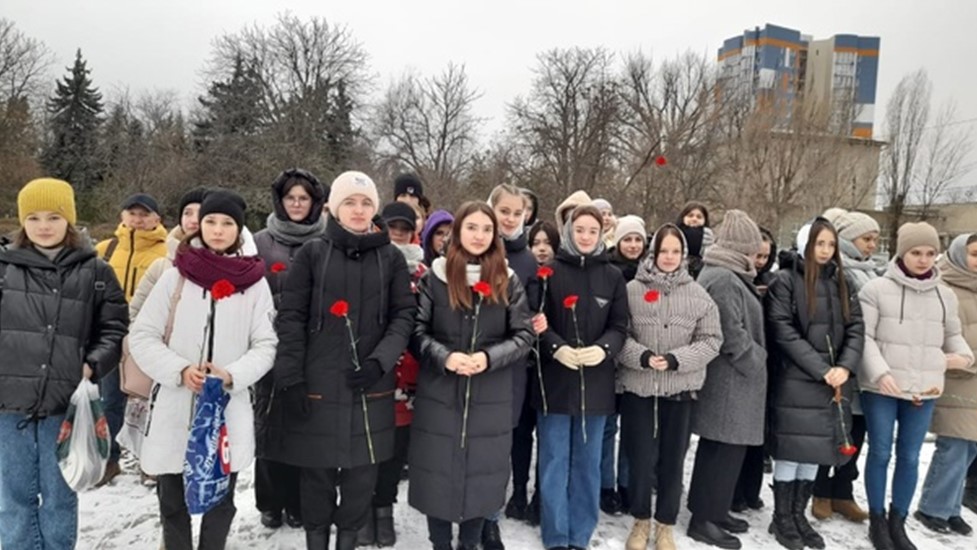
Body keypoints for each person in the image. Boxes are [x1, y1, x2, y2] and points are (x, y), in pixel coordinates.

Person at [267, 171, 416, 550]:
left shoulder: (391, 258)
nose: (358, 209)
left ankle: (348, 541)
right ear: (334, 207)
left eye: (366, 203)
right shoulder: (312, 254)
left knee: (361, 480)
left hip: (371, 388)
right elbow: (291, 318)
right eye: (349, 202)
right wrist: (291, 378)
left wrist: (380, 362)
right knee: (316, 479)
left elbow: (403, 316)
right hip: (317, 387)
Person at [128, 189, 277, 550]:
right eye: (211, 221)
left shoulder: (254, 284)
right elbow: (142, 335)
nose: (218, 230)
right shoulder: (175, 276)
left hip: (226, 408)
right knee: (172, 501)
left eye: (227, 223)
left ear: (239, 229)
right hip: (175, 405)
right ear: (199, 226)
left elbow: (266, 344)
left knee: (220, 502)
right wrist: (179, 370)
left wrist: (232, 374)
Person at [0, 178, 128, 550]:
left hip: (65, 404)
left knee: (59, 495)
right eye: (34, 218)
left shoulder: (96, 271)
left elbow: (114, 327)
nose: (44, 226)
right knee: (13, 497)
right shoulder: (5, 267)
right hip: (9, 403)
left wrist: (92, 364)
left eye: (53, 217)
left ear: (68, 219)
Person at [409, 201, 536, 550]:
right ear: (458, 231)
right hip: (441, 392)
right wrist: (445, 357)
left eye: (486, 229)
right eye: (472, 227)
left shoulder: (507, 279)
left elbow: (523, 335)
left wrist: (488, 357)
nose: (479, 236)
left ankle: (470, 542)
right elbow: (416, 332)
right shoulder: (434, 277)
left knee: (482, 475)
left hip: (489, 395)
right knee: (437, 473)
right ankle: (440, 543)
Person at [858, 222, 974, 550]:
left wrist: (963, 356)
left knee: (909, 456)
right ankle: (878, 520)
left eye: (930, 253)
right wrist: (880, 374)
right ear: (901, 253)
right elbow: (864, 337)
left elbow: (953, 335)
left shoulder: (944, 295)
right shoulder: (876, 289)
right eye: (916, 253)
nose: (923, 260)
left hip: (924, 389)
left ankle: (898, 521)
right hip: (882, 388)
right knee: (880, 452)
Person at [618, 223, 723, 550]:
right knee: (639, 459)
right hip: (639, 388)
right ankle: (640, 519)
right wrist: (642, 356)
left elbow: (711, 340)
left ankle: (665, 523)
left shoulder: (699, 295)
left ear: (684, 256)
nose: (669, 257)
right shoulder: (631, 290)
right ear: (653, 252)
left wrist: (677, 359)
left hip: (679, 391)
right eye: (663, 250)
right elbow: (619, 333)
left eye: (675, 251)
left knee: (672, 461)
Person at [531, 204, 628, 550]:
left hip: (596, 384)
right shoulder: (549, 272)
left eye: (593, 231)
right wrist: (555, 346)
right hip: (555, 383)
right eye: (580, 230)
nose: (586, 236)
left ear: (602, 234)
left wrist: (604, 349)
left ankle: (580, 533)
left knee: (588, 463)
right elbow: (536, 321)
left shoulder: (612, 276)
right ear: (569, 231)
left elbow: (620, 325)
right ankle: (556, 534)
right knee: (554, 461)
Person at [764, 218, 865, 550]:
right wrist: (822, 369)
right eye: (819, 244)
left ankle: (798, 515)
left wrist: (845, 367)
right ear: (805, 245)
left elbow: (856, 328)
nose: (825, 251)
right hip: (797, 379)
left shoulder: (843, 281)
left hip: (833, 381)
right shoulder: (785, 280)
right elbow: (782, 329)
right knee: (792, 451)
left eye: (830, 245)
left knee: (814, 451)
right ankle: (782, 517)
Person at [686, 210, 767, 550]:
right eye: (752, 249)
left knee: (726, 450)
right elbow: (729, 332)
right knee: (721, 450)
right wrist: (756, 359)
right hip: (730, 381)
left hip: (733, 381)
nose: (756, 256)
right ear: (740, 248)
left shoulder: (727, 273)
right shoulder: (723, 278)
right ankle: (703, 520)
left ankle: (715, 512)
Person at [253, 168, 328, 530]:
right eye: (290, 198)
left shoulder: (327, 239)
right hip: (268, 343)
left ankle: (299, 501)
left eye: (304, 198)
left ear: (315, 203)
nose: (297, 204)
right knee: (269, 423)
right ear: (280, 201)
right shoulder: (259, 241)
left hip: (313, 345)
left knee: (304, 424)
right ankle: (270, 500)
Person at [123, 186, 208, 485]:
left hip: (204, 361)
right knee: (158, 413)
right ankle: (154, 465)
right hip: (163, 358)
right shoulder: (162, 264)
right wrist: (152, 347)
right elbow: (136, 312)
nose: (193, 219)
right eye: (187, 212)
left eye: (201, 213)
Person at [357, 200, 426, 547]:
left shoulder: (425, 275)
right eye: (392, 227)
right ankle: (361, 508)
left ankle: (384, 506)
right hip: (372, 368)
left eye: (404, 228)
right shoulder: (366, 263)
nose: (397, 234)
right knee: (366, 445)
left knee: (395, 448)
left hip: (408, 374)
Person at [811, 210, 881, 523]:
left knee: (857, 431)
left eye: (875, 239)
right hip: (842, 362)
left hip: (868, 367)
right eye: (867, 238)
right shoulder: (840, 273)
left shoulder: (874, 273)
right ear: (849, 240)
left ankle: (843, 491)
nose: (872, 245)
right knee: (835, 429)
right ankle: (820, 490)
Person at [95, 192, 169, 485]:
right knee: (110, 400)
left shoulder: (166, 252)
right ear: (122, 216)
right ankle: (108, 459)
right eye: (132, 213)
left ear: (157, 218)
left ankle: (151, 462)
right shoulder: (105, 249)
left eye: (144, 214)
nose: (138, 219)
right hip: (110, 335)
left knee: (151, 401)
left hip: (150, 337)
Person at [916, 233, 977, 537]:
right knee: (953, 446)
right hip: (956, 379)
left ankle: (951, 509)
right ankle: (932, 507)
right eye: (974, 254)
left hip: (974, 383)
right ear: (958, 254)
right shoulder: (945, 288)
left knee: (969, 448)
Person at [601, 214, 648, 515]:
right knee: (607, 427)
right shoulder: (608, 271)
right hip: (610, 360)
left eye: (637, 239)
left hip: (638, 360)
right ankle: (606, 485)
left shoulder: (650, 273)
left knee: (632, 429)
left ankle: (627, 483)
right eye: (627, 239)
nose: (632, 245)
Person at [730, 226, 778, 514]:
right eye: (756, 254)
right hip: (750, 359)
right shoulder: (736, 280)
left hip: (770, 359)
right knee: (740, 431)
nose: (760, 261)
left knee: (759, 432)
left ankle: (751, 489)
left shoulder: (773, 282)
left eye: (765, 256)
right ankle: (736, 492)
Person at [676, 201, 714, 280]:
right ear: (683, 217)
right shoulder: (673, 235)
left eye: (699, 217)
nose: (694, 219)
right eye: (690, 215)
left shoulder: (709, 239)